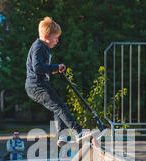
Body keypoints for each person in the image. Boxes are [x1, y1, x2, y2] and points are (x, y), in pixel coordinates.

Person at [24, 16, 96, 147]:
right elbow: (38, 67)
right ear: (46, 37)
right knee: (60, 107)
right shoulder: (39, 47)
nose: (57, 41)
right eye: (55, 38)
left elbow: (40, 68)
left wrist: (54, 70)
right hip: (36, 86)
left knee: (58, 106)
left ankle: (62, 136)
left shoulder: (43, 47)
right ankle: (79, 131)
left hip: (39, 85)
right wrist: (55, 67)